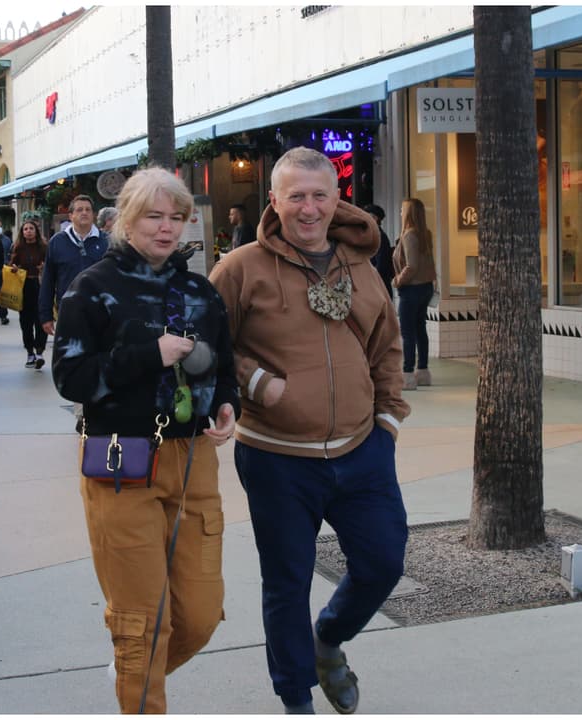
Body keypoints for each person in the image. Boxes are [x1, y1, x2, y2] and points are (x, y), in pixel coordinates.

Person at [208, 147, 410, 715]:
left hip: (361, 449)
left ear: (335, 198)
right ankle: (296, 698)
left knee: (383, 563)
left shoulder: (362, 267)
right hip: (276, 457)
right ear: (274, 200)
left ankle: (329, 640)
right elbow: (208, 347)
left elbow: (386, 347)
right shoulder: (240, 267)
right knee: (287, 582)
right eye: (295, 195)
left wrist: (388, 420)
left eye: (319, 195)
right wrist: (256, 383)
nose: (308, 208)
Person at [51, 167, 239, 714]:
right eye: (153, 216)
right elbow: (71, 379)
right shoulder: (92, 288)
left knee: (201, 616)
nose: (166, 228)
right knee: (141, 622)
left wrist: (228, 403)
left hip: (193, 461)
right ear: (126, 220)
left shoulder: (199, 290)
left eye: (175, 218)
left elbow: (224, 367)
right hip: (120, 459)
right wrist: (149, 355)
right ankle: (139, 691)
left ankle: (134, 669)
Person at [39, 194, 109, 337]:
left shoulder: (106, 242)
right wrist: (46, 315)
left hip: (101, 311)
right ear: (70, 216)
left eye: (88, 210)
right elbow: (48, 280)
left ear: (93, 215)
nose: (84, 213)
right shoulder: (57, 242)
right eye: (79, 210)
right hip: (68, 312)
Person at [392, 197, 437, 389]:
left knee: (407, 332)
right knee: (420, 330)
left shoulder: (409, 235)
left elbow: (411, 266)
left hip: (411, 289)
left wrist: (397, 281)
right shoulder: (425, 233)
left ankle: (407, 373)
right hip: (425, 287)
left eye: (403, 210)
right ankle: (423, 371)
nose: (401, 213)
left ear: (409, 213)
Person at [9, 220, 49, 368]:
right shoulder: (18, 248)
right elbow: (11, 265)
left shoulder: (44, 247)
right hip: (24, 287)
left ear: (36, 231)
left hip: (40, 286)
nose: (28, 231)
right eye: (25, 229)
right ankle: (30, 352)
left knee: (41, 320)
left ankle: (40, 351)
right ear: (22, 232)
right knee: (26, 322)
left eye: (31, 228)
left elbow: (51, 266)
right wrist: (14, 268)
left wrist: (44, 268)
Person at [362, 203, 395, 300]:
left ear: (375, 218)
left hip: (379, 289)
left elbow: (381, 266)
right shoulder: (371, 236)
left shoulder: (379, 237)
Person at [0, 220, 14, 326]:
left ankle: (3, 315)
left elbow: (11, 254)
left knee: (2, 292)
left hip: (4, 269)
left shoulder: (7, 240)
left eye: (0, 226)